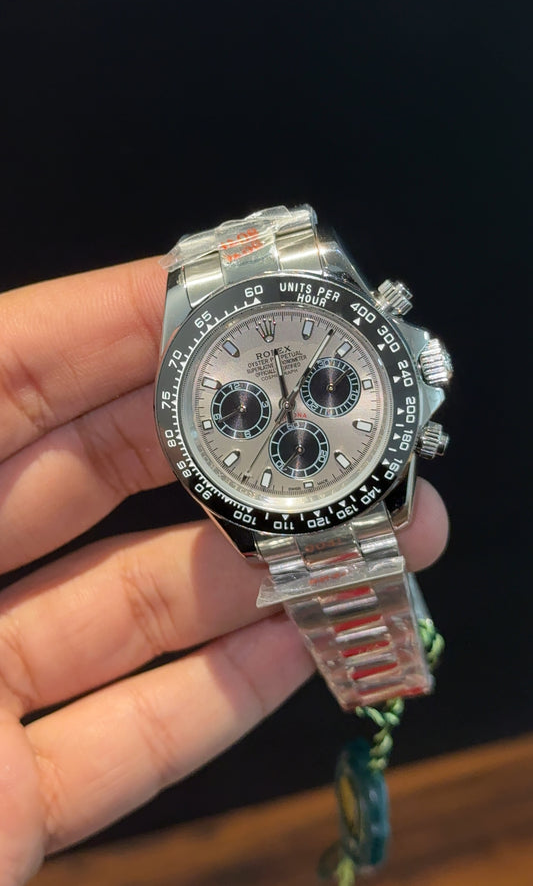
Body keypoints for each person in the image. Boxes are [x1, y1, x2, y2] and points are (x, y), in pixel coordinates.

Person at [0, 256, 449, 884]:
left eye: (323, 389)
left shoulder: (316, 291)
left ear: (419, 375)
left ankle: (386, 676)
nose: (293, 409)